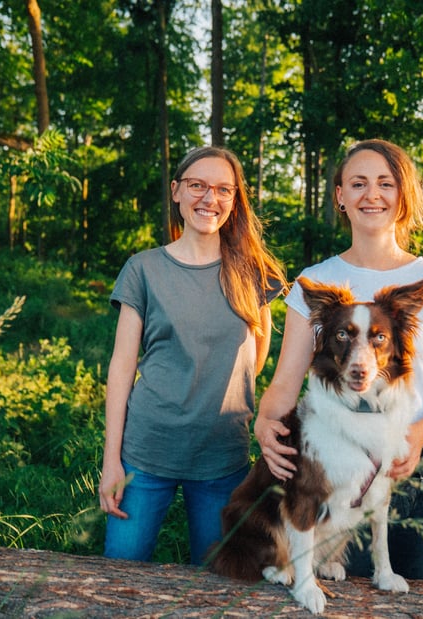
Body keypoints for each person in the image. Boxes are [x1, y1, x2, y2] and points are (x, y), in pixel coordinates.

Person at [254, 138, 423, 580]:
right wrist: (265, 423)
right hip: (338, 469)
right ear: (340, 195)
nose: (371, 194)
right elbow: (285, 383)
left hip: (420, 472)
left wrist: (412, 437)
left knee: (417, 601)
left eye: (384, 183)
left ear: (402, 194)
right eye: (358, 183)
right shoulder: (314, 283)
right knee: (345, 600)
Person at [99, 146, 287, 564]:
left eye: (223, 189)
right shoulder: (143, 269)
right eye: (198, 186)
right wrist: (111, 461)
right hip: (145, 454)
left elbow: (256, 360)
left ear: (234, 199)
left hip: (222, 459)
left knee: (218, 584)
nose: (210, 198)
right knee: (121, 572)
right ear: (176, 192)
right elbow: (121, 367)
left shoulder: (253, 273)